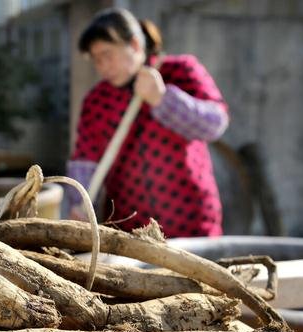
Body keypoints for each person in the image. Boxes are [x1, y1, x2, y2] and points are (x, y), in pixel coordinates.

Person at [67, 7, 228, 237]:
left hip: (191, 222)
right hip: (128, 229)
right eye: (96, 59)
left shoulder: (180, 70)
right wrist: (79, 204)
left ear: (134, 44)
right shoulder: (97, 100)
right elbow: (84, 160)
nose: (102, 66)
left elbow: (215, 123)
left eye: (107, 55)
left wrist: (163, 99)